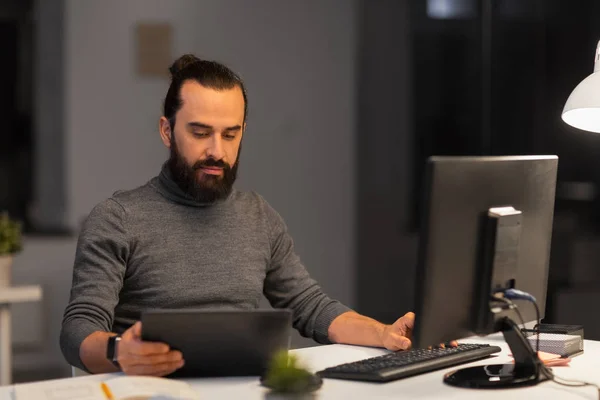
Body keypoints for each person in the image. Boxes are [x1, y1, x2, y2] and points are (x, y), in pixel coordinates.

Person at [60, 55, 417, 377]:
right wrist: (119, 351)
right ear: (167, 131)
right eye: (200, 133)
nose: (217, 151)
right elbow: (78, 329)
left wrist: (381, 334)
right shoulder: (117, 218)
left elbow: (311, 306)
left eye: (230, 135)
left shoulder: (258, 216)